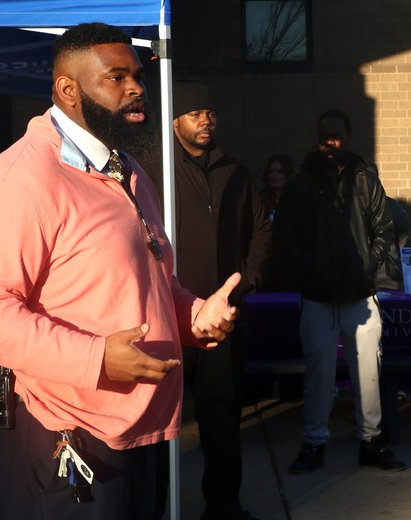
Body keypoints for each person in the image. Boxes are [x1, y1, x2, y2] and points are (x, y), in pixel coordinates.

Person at [0, 23, 240, 520]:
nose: (136, 89)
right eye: (115, 77)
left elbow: (146, 283)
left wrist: (191, 316)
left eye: (138, 76)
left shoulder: (127, 170)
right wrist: (94, 358)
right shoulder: (19, 180)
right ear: (68, 89)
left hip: (137, 426)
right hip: (55, 430)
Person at [274, 109, 406, 474]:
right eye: (324, 135)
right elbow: (285, 236)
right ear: (316, 138)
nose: (329, 142)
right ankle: (314, 442)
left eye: (336, 135)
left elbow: (384, 228)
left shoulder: (364, 179)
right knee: (319, 372)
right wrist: (311, 267)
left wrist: (366, 264)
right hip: (317, 295)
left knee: (368, 371)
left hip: (360, 292)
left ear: (347, 138)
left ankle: (371, 440)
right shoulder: (301, 183)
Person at [169, 79, 272, 520]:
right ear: (176, 122)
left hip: (222, 319)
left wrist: (246, 280)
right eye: (195, 114)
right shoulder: (156, 168)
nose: (206, 121)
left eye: (210, 114)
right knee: (159, 420)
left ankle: (224, 506)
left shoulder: (237, 171)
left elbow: (263, 230)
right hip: (168, 316)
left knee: (220, 419)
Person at [258, 154, 296, 221]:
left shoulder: (296, 198)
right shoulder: (260, 199)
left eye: (280, 172)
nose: (274, 176)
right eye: (271, 172)